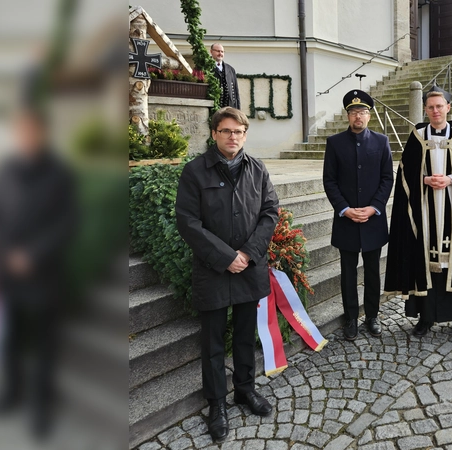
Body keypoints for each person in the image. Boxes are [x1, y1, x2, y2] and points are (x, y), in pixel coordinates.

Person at [176, 107, 278, 442]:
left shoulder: (258, 169)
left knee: (246, 335)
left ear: (245, 134)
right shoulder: (195, 172)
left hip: (250, 266)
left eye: (238, 131)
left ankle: (245, 390)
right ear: (214, 133)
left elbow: (269, 211)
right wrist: (225, 257)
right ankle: (217, 403)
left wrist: (247, 253)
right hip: (213, 270)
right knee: (214, 341)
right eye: (226, 131)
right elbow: (188, 222)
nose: (232, 137)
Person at [0, 105, 77, 438]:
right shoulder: (6, 169)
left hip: (44, 274)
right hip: (8, 271)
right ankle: (12, 393)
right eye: (19, 131)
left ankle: (43, 408)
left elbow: (66, 222)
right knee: (10, 338)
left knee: (45, 345)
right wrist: (6, 252)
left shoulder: (59, 173)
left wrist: (32, 254)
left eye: (30, 130)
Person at [384, 86, 452, 342]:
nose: (435, 111)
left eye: (439, 106)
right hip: (424, 213)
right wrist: (423, 179)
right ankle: (425, 317)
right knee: (423, 262)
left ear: (448, 107)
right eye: (430, 107)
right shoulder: (417, 136)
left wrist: (450, 178)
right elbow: (404, 174)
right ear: (425, 109)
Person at [322, 90, 394, 341]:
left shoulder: (381, 141)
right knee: (348, 273)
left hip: (373, 219)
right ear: (348, 116)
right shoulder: (334, 143)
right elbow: (329, 181)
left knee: (373, 271)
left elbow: (387, 179)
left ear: (369, 115)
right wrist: (345, 209)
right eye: (353, 112)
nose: (358, 116)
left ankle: (372, 315)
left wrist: (374, 207)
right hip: (346, 220)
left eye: (362, 112)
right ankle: (351, 317)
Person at [210, 43, 241, 109]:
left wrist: (238, 109)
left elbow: (236, 92)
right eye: (218, 51)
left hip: (229, 107)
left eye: (222, 51)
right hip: (213, 107)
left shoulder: (231, 69)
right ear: (211, 51)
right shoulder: (206, 67)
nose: (220, 53)